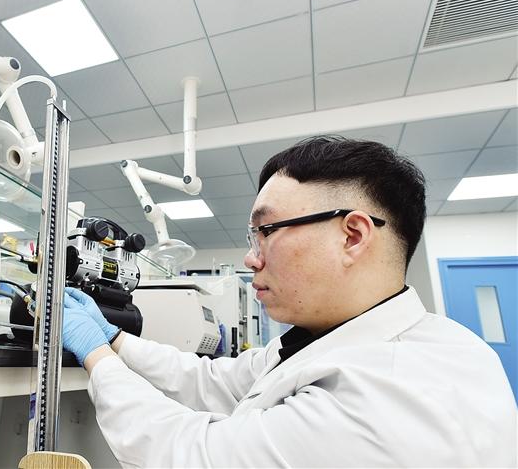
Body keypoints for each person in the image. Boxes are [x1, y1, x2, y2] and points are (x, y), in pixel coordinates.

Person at [61, 136, 517, 467]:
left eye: (266, 231)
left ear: (353, 235)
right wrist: (116, 338)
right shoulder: (352, 339)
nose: (250, 257)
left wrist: (97, 355)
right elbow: (215, 380)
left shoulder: (388, 400)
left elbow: (185, 454)